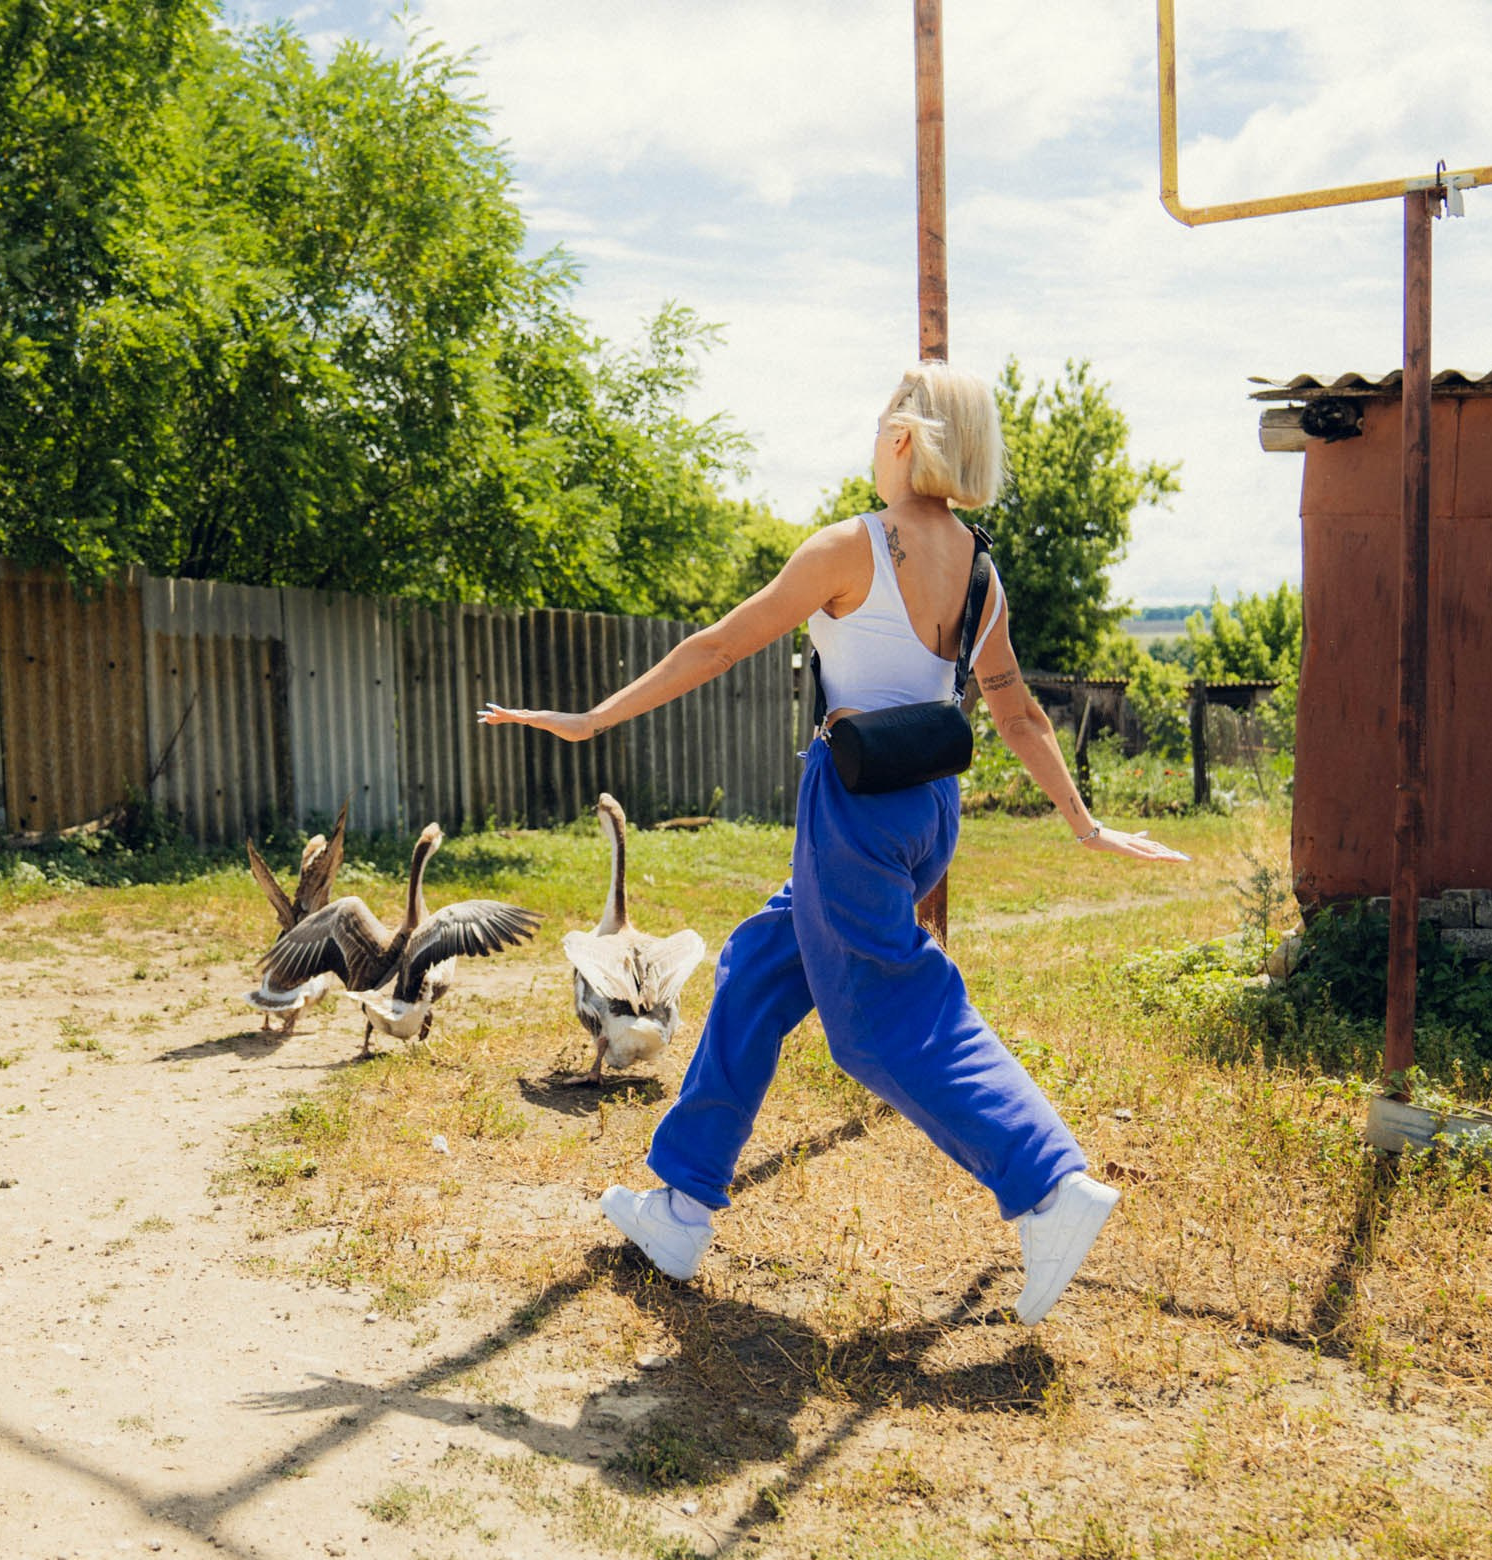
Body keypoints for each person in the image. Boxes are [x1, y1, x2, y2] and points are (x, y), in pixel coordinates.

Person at [480, 361, 1190, 1324]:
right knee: (763, 966)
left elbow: (719, 645)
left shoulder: (852, 548)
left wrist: (592, 719)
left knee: (883, 1017)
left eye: (878, 420)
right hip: (926, 809)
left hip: (855, 807)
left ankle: (1050, 1185)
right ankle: (683, 1205)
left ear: (903, 435)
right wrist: (1082, 819)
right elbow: (1014, 708)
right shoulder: (978, 567)